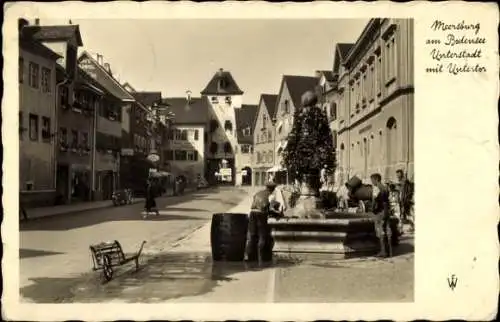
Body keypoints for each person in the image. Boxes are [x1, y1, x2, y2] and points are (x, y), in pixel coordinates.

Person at [246, 182, 278, 264]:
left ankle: (250, 256)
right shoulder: (271, 196)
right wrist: (277, 213)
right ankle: (262, 257)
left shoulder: (258, 193)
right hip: (261, 214)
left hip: (252, 213)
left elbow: (254, 203)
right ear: (273, 189)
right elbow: (271, 208)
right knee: (262, 235)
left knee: (252, 235)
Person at [370, 173, 392, 258]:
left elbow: (374, 201)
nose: (372, 182)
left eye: (372, 180)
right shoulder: (385, 188)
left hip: (380, 211)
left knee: (380, 231)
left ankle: (383, 252)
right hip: (386, 210)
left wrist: (372, 209)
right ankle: (389, 251)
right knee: (387, 229)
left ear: (376, 179)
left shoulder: (376, 189)